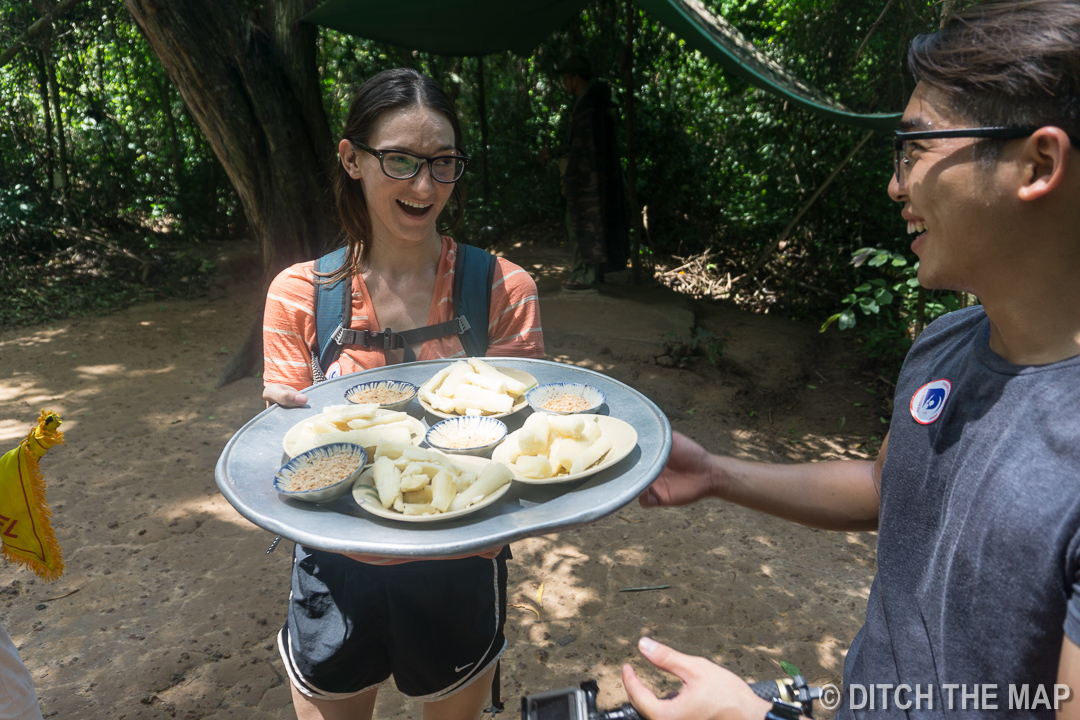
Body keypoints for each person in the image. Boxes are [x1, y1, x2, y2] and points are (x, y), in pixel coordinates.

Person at [620, 1, 1080, 718]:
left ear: (1038, 163)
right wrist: (716, 475)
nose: (897, 185)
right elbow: (888, 483)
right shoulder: (947, 343)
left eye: (916, 149)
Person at [261, 68, 544, 720]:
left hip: (460, 561)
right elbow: (291, 451)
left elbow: (524, 448)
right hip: (335, 567)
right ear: (351, 159)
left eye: (443, 163)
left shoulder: (504, 288)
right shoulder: (301, 295)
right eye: (400, 160)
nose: (424, 186)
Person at [556, 55, 630, 291]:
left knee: (581, 224)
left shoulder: (588, 106)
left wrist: (570, 179)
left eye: (566, 78)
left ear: (575, 78)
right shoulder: (589, 103)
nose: (565, 84)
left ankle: (585, 276)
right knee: (587, 223)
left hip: (587, 182)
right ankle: (588, 274)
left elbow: (584, 150)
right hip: (592, 180)